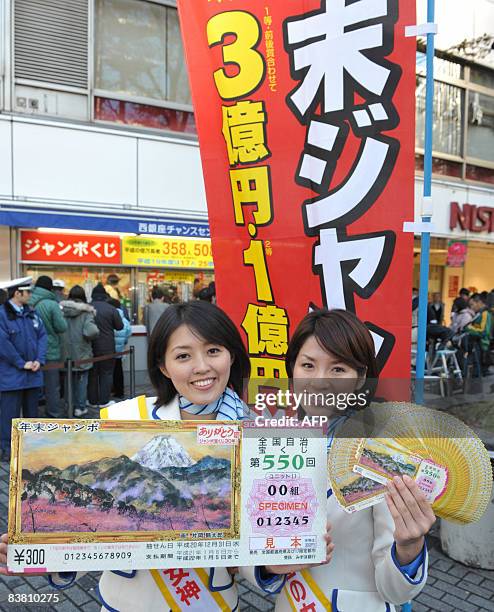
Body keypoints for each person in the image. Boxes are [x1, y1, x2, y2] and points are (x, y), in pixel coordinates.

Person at [1, 302, 328, 607]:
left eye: (213, 350)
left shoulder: (262, 434)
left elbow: (252, 544)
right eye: (183, 356)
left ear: (231, 356)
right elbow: (91, 529)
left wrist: (272, 565)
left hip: (211, 603)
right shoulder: (122, 418)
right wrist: (42, 551)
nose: (202, 367)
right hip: (128, 603)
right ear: (164, 365)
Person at [264, 309, 432, 611]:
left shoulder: (382, 451)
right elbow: (254, 553)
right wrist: (268, 566)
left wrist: (409, 548)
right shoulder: (272, 444)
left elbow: (395, 590)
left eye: (338, 369)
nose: (319, 382)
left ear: (360, 379)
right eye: (307, 365)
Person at [0, 278, 47, 462]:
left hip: (32, 374)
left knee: (31, 414)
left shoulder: (32, 313)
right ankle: (6, 448)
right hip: (12, 375)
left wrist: (39, 360)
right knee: (9, 415)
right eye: (27, 292)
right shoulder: (2, 314)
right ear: (17, 293)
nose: (30, 295)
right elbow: (3, 344)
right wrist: (21, 363)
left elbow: (42, 336)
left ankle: (31, 446)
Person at [29, 275, 68, 418]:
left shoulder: (26, 300)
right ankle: (53, 413)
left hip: (29, 350)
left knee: (31, 386)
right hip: (49, 349)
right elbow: (62, 327)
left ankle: (30, 415)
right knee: (52, 386)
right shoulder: (51, 304)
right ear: (50, 288)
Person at [61, 286, 99, 417]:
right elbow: (92, 331)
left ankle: (68, 405)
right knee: (82, 381)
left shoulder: (61, 311)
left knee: (68, 381)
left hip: (65, 353)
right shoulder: (86, 312)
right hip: (82, 352)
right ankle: (80, 407)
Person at [87, 284, 123, 408]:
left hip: (90, 346)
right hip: (107, 347)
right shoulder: (111, 308)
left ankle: (92, 400)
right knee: (106, 373)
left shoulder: (87, 308)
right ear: (104, 296)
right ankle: (104, 401)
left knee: (92, 374)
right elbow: (120, 326)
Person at [108, 297, 131, 400]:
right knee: (118, 371)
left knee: (108, 371)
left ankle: (109, 390)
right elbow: (128, 332)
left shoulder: (109, 316)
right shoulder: (124, 319)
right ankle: (119, 392)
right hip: (120, 350)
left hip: (109, 350)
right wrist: (123, 342)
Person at [464, 293, 492, 376]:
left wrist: (469, 328)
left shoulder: (485, 313)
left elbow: (483, 332)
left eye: (472, 304)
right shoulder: (479, 313)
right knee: (475, 370)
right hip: (476, 344)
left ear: (479, 302)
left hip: (481, 345)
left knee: (478, 370)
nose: (471, 307)